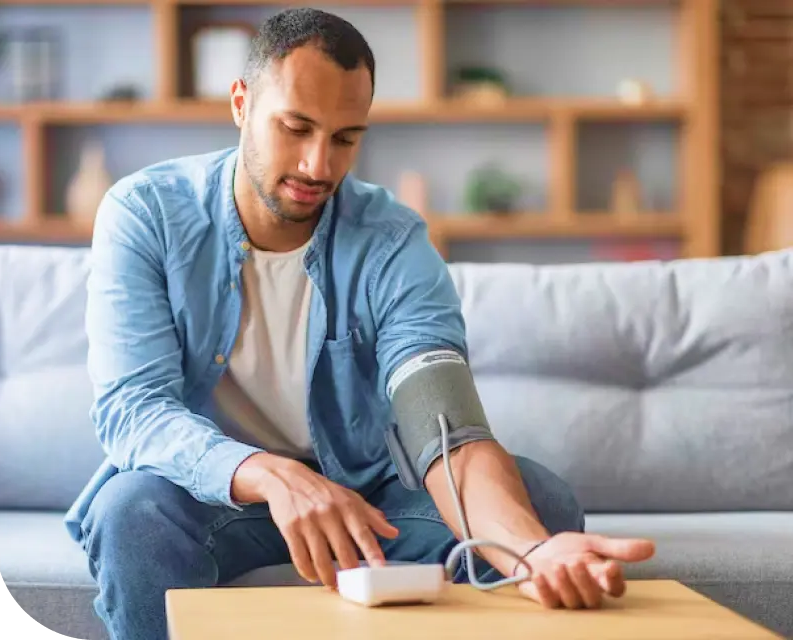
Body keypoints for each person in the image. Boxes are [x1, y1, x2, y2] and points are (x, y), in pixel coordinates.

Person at [64, 7, 655, 640]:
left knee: (542, 506)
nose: (319, 165)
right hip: (214, 493)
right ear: (241, 103)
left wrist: (530, 550)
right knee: (130, 513)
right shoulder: (145, 214)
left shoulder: (392, 241)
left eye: (345, 138)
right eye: (296, 127)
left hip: (365, 495)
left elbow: (444, 424)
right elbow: (134, 409)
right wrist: (275, 475)